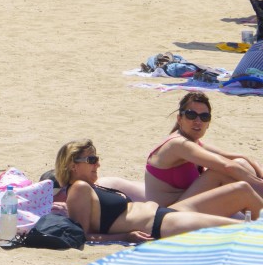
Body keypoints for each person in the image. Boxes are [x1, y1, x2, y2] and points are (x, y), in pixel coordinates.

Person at [55, 139, 258, 243]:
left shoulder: (91, 187)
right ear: (73, 165)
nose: (97, 164)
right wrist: (125, 236)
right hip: (161, 224)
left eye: (97, 159)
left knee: (242, 189)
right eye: (91, 160)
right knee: (243, 229)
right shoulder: (79, 188)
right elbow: (83, 235)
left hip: (167, 212)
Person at [145, 91, 263, 208]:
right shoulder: (178, 144)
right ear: (179, 119)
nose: (198, 121)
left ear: (208, 123)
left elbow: (240, 158)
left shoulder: (194, 143)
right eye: (191, 115)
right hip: (168, 214)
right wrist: (258, 184)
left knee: (240, 163)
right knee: (219, 173)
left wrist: (260, 175)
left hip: (185, 206)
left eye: (204, 117)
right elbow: (227, 166)